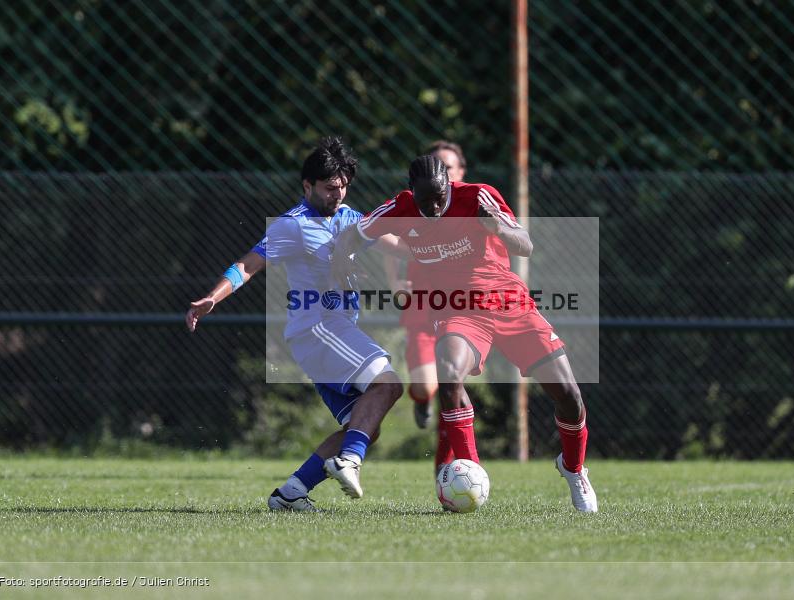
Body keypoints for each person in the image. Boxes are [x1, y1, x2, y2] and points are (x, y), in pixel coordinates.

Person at [332, 154, 598, 513]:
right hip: (459, 310)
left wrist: (498, 228)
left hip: (510, 303)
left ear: (450, 186)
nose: (434, 207)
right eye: (425, 201)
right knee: (449, 373)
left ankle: (574, 468)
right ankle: (471, 469)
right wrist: (342, 266)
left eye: (440, 198)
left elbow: (525, 245)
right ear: (412, 193)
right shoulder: (399, 208)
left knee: (568, 394)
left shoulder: (477, 197)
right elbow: (353, 236)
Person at [186, 137, 404, 511]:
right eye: (329, 187)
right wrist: (213, 297)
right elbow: (248, 264)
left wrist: (442, 249)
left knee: (365, 423)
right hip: (319, 328)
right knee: (388, 385)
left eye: (343, 186)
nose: (338, 194)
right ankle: (349, 461)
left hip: (330, 333)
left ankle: (290, 494)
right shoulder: (294, 225)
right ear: (307, 186)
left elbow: (395, 243)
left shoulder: (350, 217)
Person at [382, 141, 466, 476]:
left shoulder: (471, 204)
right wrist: (394, 282)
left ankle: (447, 470)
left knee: (453, 386)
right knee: (426, 387)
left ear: (460, 173)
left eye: (448, 168)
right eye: (437, 167)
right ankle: (421, 400)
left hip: (460, 310)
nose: (441, 175)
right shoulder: (415, 206)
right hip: (422, 307)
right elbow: (384, 235)